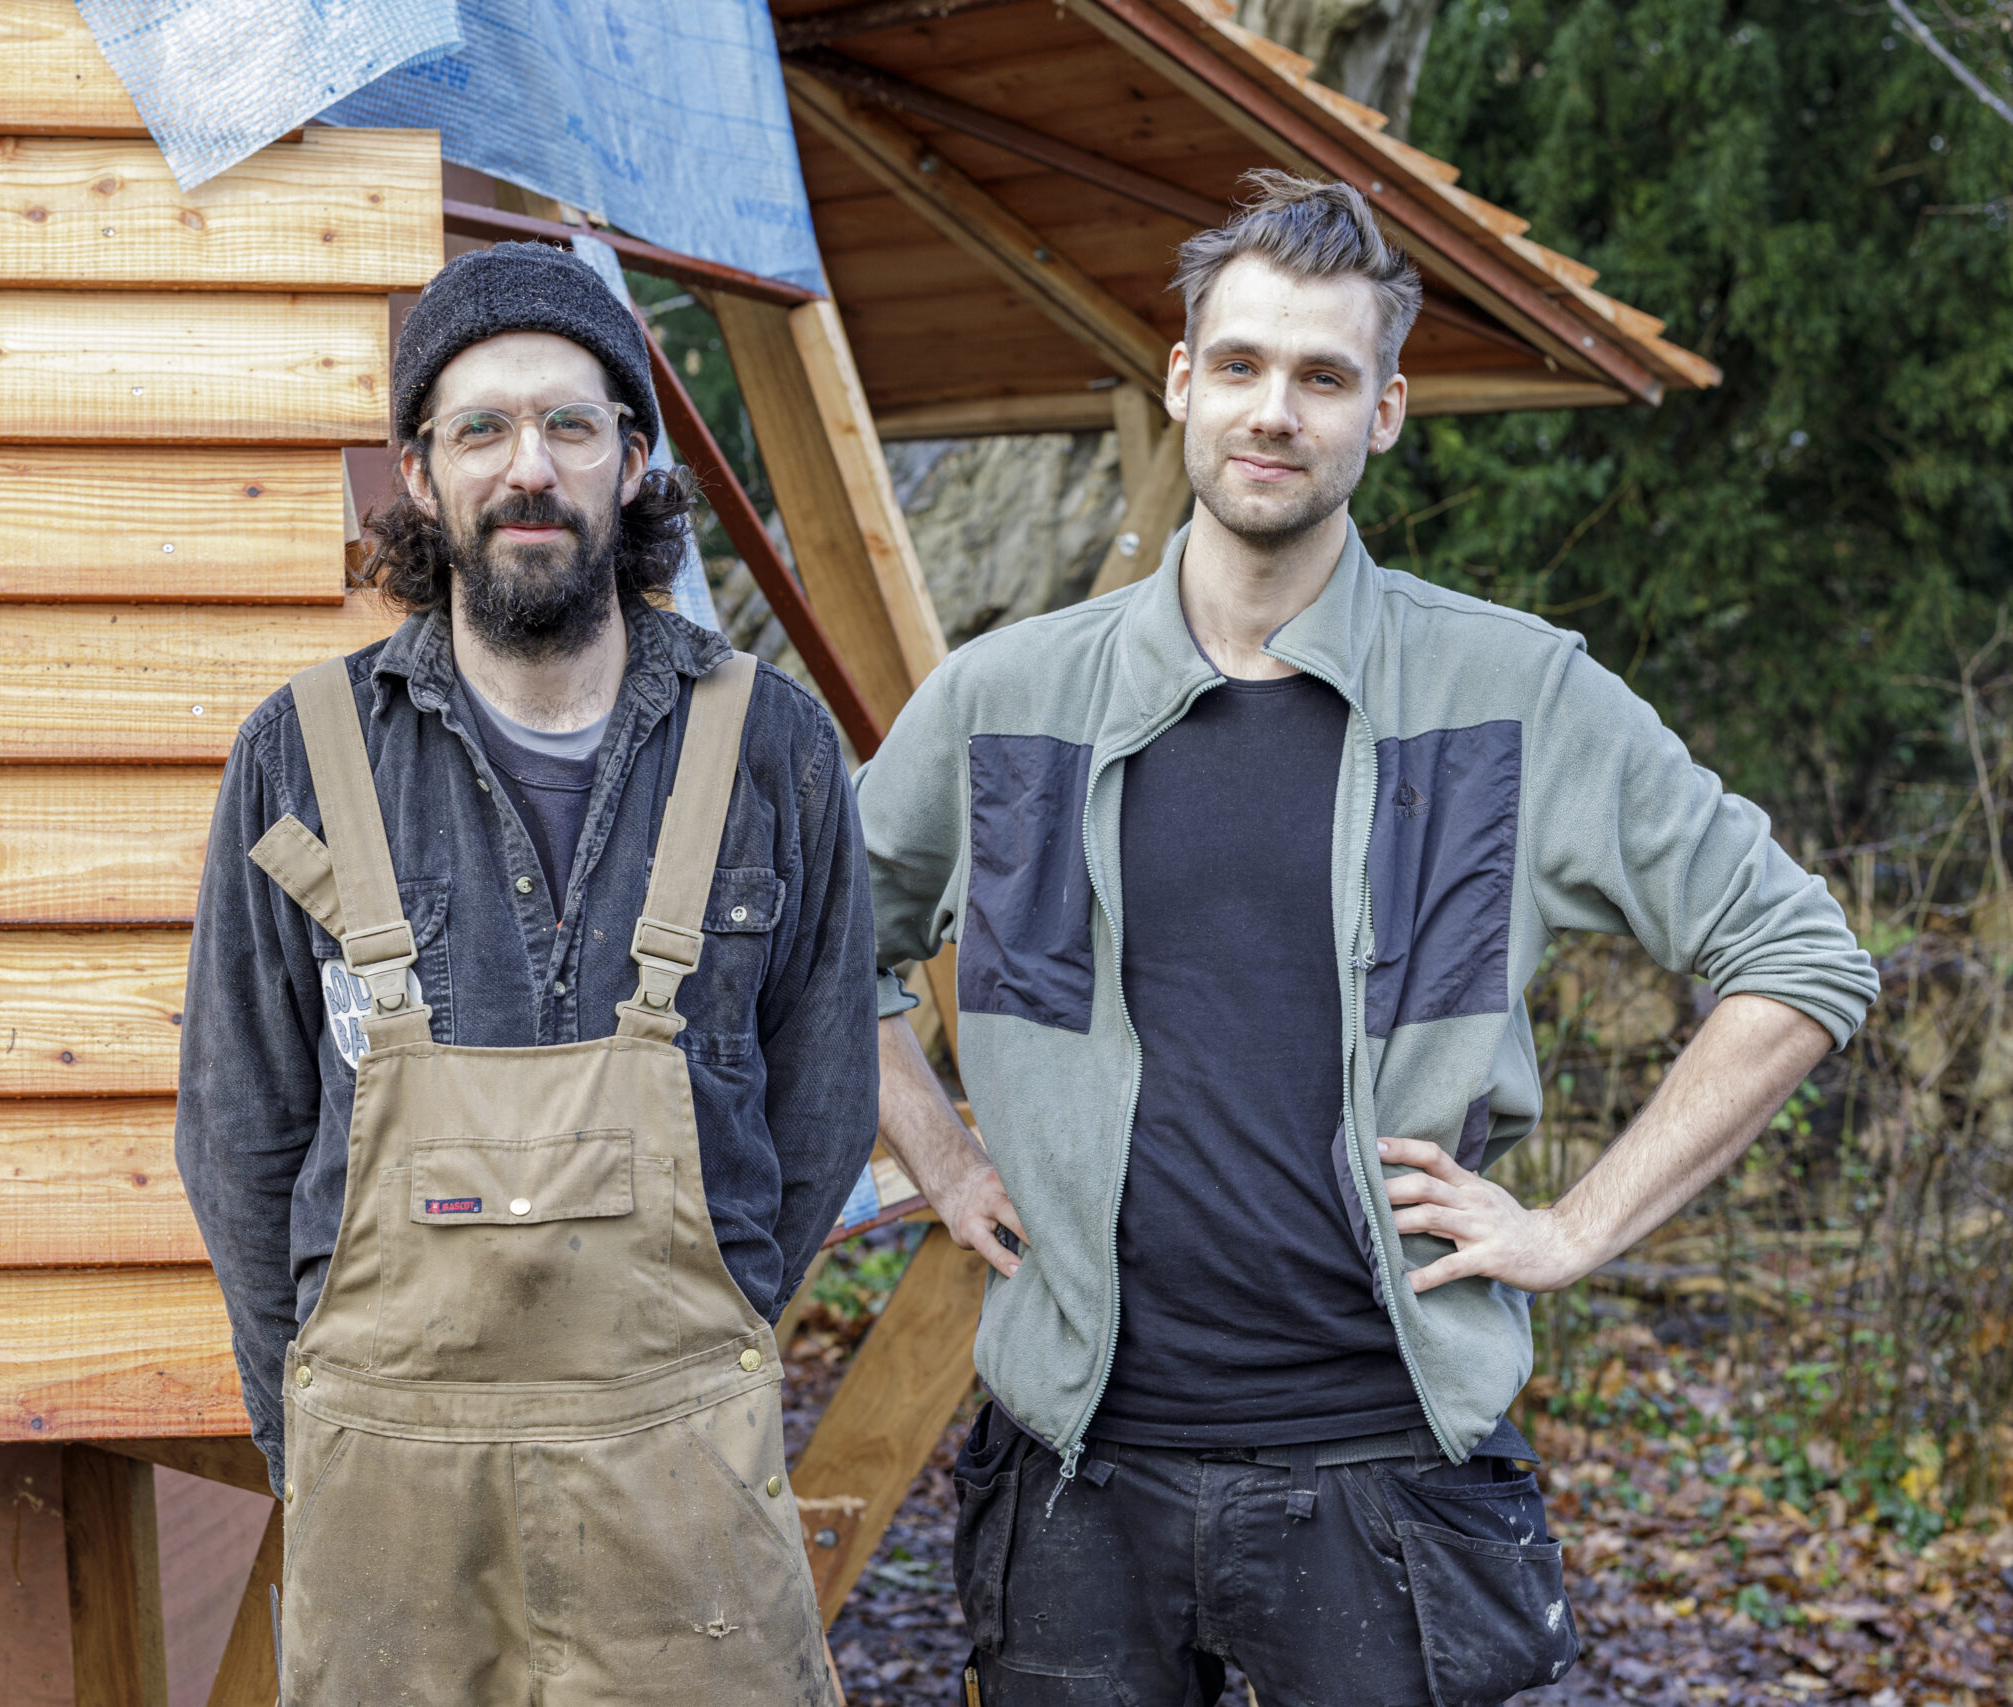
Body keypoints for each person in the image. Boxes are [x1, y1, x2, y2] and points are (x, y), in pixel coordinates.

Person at [855, 173, 1880, 1706]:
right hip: (1075, 1476)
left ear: (1385, 410)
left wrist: (1575, 1229)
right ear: (1183, 381)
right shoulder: (1007, 700)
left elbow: (1799, 957)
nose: (1276, 411)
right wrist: (939, 1155)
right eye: (1243, 365)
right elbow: (818, 942)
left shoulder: (1512, 696)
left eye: (1324, 377)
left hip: (1386, 1480)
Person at [176, 240, 870, 1704]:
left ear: (633, 459)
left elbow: (821, 1108)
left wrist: (711, 1359)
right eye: (480, 429)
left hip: (681, 1480)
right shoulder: (299, 756)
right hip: (390, 1501)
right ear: (420, 476)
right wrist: (317, 1431)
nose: (529, 468)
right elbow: (239, 1132)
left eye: (569, 424)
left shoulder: (775, 749)